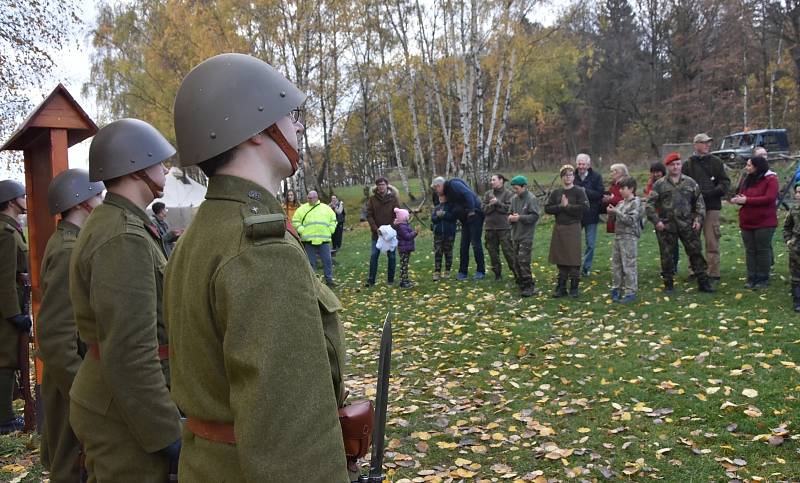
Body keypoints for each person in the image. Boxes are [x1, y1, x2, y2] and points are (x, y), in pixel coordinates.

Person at [168, 53, 350, 481]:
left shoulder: (201, 234)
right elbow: (290, 437)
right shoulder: (260, 249)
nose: (299, 126)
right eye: (288, 116)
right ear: (254, 130)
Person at [69, 118, 181, 481]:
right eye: (158, 161)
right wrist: (168, 435)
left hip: (122, 402)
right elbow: (130, 353)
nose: (165, 168)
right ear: (136, 166)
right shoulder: (123, 236)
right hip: (124, 413)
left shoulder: (118, 221)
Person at [37, 169, 104, 483]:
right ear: (82, 203)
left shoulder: (69, 241)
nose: (102, 201)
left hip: (68, 377)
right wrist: (82, 390)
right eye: (98, 195)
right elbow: (56, 337)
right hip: (69, 382)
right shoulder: (67, 250)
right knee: (70, 466)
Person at [645, 152, 715, 293]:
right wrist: (656, 221)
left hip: (687, 224)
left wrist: (698, 219)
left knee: (695, 253)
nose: (676, 167)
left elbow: (700, 203)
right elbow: (649, 204)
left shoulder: (690, 182)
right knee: (667, 256)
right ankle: (669, 284)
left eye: (678, 164)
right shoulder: (660, 184)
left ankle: (703, 282)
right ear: (668, 166)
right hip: (666, 226)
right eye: (672, 165)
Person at [0, 179, 29, 435]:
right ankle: (4, 419)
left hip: (10, 305)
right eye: (22, 195)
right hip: (6, 309)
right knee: (5, 361)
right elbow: (5, 278)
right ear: (11, 201)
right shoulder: (6, 233)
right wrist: (14, 314)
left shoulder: (11, 228)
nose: (25, 199)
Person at [683, 133, 730, 281]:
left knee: (712, 240)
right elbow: (683, 185)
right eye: (704, 143)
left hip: (712, 206)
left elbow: (725, 182)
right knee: (693, 241)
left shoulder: (716, 162)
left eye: (708, 142)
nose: (707, 145)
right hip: (694, 209)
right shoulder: (687, 164)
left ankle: (713, 271)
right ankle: (694, 270)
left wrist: (713, 192)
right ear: (696, 145)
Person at [730, 156, 778, 288]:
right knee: (750, 250)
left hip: (764, 222)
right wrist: (739, 199)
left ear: (757, 166)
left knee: (762, 250)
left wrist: (747, 200)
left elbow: (769, 198)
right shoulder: (747, 179)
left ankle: (763, 277)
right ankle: (751, 276)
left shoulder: (771, 179)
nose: (747, 167)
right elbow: (743, 194)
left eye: (749, 165)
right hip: (747, 221)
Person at [545, 165, 589, 298]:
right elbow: (547, 208)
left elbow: (585, 207)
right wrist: (560, 206)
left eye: (570, 174)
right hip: (559, 227)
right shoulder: (556, 193)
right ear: (561, 177)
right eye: (565, 175)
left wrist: (568, 206)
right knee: (561, 258)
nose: (568, 177)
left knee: (573, 258)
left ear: (573, 177)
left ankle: (574, 287)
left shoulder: (579, 191)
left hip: (573, 227)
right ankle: (561, 287)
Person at [431, 176, 486, 280]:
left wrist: (471, 211)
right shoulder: (447, 194)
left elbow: (468, 194)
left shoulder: (453, 184)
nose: (436, 192)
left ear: (439, 185)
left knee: (475, 243)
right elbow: (453, 210)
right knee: (464, 245)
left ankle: (480, 271)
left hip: (475, 214)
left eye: (436, 189)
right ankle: (462, 272)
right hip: (464, 219)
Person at [606, 176, 643, 303]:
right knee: (616, 264)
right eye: (619, 188)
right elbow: (615, 220)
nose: (620, 191)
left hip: (629, 237)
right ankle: (616, 288)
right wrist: (611, 214)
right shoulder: (621, 203)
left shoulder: (636, 202)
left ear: (631, 188)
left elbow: (631, 220)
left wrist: (616, 212)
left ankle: (630, 291)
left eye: (623, 188)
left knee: (629, 264)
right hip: (618, 236)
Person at [293, 190, 338, 287]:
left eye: (310, 198)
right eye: (308, 198)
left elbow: (333, 219)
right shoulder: (302, 209)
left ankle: (329, 280)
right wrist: (302, 230)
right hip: (309, 241)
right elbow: (295, 221)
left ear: (316, 198)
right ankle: (313, 283)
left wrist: (331, 229)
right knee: (310, 263)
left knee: (327, 261)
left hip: (324, 240)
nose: (308, 200)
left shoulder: (326, 208)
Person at [508, 176, 541, 297]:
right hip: (515, 234)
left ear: (524, 187)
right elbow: (510, 213)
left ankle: (529, 286)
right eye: (513, 189)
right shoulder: (513, 199)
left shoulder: (531, 199)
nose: (514, 191)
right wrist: (510, 218)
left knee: (523, 260)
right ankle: (521, 284)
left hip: (526, 235)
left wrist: (520, 217)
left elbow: (535, 216)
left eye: (516, 188)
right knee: (516, 261)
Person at [645, 161, 679, 273]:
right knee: (663, 244)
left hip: (671, 215)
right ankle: (666, 267)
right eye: (653, 172)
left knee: (673, 243)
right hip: (658, 216)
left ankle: (673, 265)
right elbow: (649, 197)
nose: (656, 174)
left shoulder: (667, 182)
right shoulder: (651, 184)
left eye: (658, 172)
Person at [481, 174, 516, 282]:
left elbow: (509, 209)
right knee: (493, 253)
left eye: (494, 180)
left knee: (508, 252)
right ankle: (497, 275)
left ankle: (517, 273)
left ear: (501, 181)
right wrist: (492, 205)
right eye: (491, 180)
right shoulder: (488, 194)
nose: (492, 182)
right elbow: (483, 209)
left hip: (504, 228)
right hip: (490, 228)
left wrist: (498, 203)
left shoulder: (508, 194)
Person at [574, 154, 604, 276]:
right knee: (574, 242)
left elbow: (599, 194)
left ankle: (586, 267)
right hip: (575, 215)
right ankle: (574, 266)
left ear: (588, 165)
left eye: (583, 164)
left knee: (590, 244)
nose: (581, 166)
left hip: (591, 214)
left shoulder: (596, 177)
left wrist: (584, 191)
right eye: (579, 164)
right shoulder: (571, 176)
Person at [366, 177, 399, 286]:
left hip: (390, 233)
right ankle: (371, 281)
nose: (381, 187)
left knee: (392, 256)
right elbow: (369, 215)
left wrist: (391, 228)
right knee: (374, 255)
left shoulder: (393, 199)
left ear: (387, 185)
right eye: (379, 185)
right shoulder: (372, 199)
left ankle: (390, 280)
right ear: (377, 186)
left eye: (383, 184)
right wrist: (376, 229)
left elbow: (397, 214)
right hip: (377, 233)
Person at [431, 193, 457, 280]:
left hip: (449, 233)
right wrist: (438, 216)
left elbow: (453, 217)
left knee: (448, 252)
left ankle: (447, 271)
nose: (441, 198)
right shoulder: (436, 207)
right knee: (438, 252)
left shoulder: (451, 206)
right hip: (438, 234)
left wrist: (445, 214)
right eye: (439, 196)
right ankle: (437, 272)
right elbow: (433, 219)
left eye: (442, 196)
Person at [783, 183, 800, 312]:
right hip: (796, 246)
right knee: (796, 274)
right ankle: (797, 300)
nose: (798, 195)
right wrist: (788, 240)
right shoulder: (794, 209)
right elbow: (787, 226)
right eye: (797, 192)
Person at [394, 208, 417, 288]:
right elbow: (407, 236)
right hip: (404, 249)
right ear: (403, 217)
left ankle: (405, 279)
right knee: (404, 265)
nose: (408, 217)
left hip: (406, 248)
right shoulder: (401, 227)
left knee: (405, 264)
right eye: (407, 216)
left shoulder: (403, 225)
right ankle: (403, 281)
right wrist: (415, 233)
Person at [602, 163, 629, 233]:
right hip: (613, 218)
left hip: (623, 218)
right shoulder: (613, 185)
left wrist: (612, 198)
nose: (611, 174)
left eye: (613, 171)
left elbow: (628, 200)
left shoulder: (627, 184)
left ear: (620, 173)